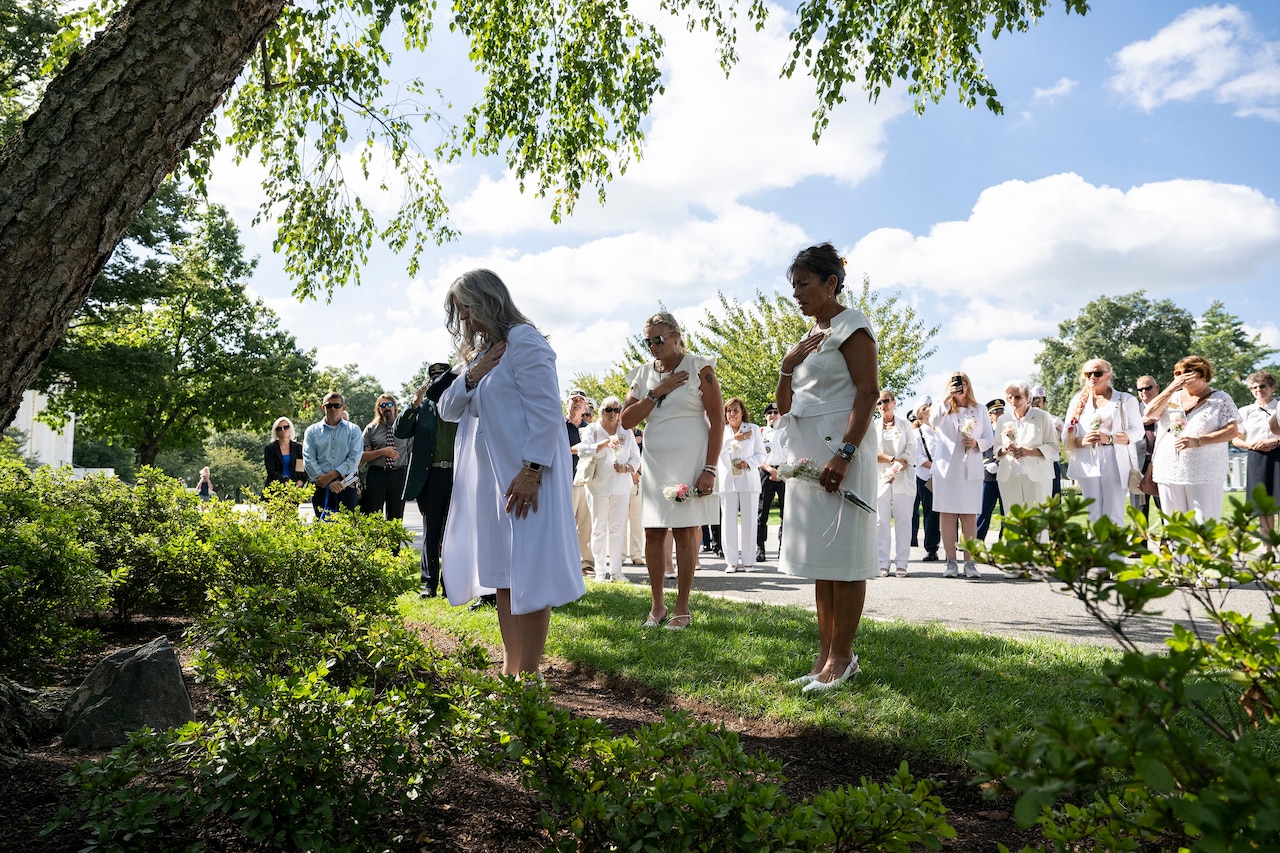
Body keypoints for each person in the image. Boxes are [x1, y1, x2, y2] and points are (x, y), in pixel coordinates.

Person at [436, 269, 585, 676]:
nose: (464, 319)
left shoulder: (524, 340)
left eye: (466, 308)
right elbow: (447, 409)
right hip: (492, 483)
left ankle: (531, 673)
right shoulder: (483, 354)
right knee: (504, 575)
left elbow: (545, 414)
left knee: (530, 575)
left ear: (487, 300)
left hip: (527, 478)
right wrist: (472, 375)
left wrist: (532, 470)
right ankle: (511, 669)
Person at [776, 243, 878, 693]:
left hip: (842, 451)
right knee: (823, 560)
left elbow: (868, 392)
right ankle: (825, 657)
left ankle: (843, 658)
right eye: (792, 285)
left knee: (846, 558)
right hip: (807, 456)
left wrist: (846, 453)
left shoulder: (852, 325)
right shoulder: (804, 340)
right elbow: (784, 407)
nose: (796, 293)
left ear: (831, 283)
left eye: (803, 284)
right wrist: (786, 366)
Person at [621, 310, 723, 630]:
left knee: (683, 530)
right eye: (648, 340)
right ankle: (657, 606)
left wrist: (709, 468)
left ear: (677, 336)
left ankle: (682, 606)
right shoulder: (642, 374)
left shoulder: (699, 367)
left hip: (690, 459)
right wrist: (657, 391)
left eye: (659, 339)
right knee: (653, 531)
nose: (653, 345)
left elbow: (717, 420)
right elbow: (626, 421)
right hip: (654, 461)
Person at [1142, 355, 1240, 522]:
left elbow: (1232, 431)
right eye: (1177, 372)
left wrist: (1199, 441)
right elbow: (1149, 413)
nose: (1182, 375)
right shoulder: (1171, 397)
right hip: (1169, 469)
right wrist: (1172, 388)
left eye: (1188, 371)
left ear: (1203, 373)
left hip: (1204, 470)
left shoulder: (1221, 398)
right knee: (1174, 522)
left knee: (1204, 523)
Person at [395, 363, 458, 598]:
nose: (437, 382)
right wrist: (414, 403)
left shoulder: (459, 404)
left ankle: (449, 583)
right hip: (431, 475)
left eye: (442, 378)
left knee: (452, 532)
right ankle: (429, 584)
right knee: (431, 532)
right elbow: (400, 431)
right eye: (434, 379)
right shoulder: (423, 407)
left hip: (456, 475)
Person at [1062, 358, 1143, 525]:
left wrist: (1110, 438)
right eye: (1088, 373)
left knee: (1113, 513)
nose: (1092, 376)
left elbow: (1138, 432)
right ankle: (1095, 551)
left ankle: (1114, 551)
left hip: (1115, 461)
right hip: (1087, 462)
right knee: (1093, 514)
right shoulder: (1078, 401)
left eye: (1097, 373)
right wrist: (1082, 441)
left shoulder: (1125, 399)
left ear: (1109, 375)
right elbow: (1066, 436)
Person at [928, 370, 993, 579]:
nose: (960, 386)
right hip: (947, 469)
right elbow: (933, 421)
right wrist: (947, 398)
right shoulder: (943, 407)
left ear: (968, 385)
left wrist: (976, 443)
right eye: (955, 383)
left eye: (963, 382)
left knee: (968, 516)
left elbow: (989, 438)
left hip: (969, 468)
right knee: (947, 515)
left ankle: (970, 562)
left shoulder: (979, 409)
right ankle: (951, 561)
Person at [993, 380, 1060, 577]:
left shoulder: (1042, 417)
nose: (1014, 401)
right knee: (1013, 520)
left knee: (1037, 519)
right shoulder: (1003, 419)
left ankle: (1039, 564)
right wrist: (1004, 449)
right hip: (1009, 475)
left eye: (1018, 397)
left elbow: (1054, 447)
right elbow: (996, 447)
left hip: (1037, 475)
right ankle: (1016, 563)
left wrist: (1029, 451)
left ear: (1028, 397)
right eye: (1010, 397)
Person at [576, 395, 641, 582]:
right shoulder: (592, 430)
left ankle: (616, 571)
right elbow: (583, 450)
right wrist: (604, 443)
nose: (612, 414)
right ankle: (600, 572)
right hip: (597, 486)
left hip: (621, 486)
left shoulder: (626, 432)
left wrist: (627, 468)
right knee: (598, 529)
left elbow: (636, 458)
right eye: (608, 409)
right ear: (601, 411)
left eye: (616, 410)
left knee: (617, 528)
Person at [717, 397, 766, 573]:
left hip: (748, 479)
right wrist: (733, 439)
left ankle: (748, 561)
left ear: (742, 411)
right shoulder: (721, 431)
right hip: (728, 480)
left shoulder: (752, 429)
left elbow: (761, 454)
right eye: (728, 411)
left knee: (750, 520)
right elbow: (715, 452)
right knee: (728, 521)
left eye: (735, 410)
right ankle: (731, 561)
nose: (732, 414)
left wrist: (748, 463)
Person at [1234, 371, 1279, 550]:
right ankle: (1267, 549)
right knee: (1263, 506)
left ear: (1272, 387)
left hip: (1279, 454)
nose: (1258, 390)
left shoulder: (1279, 408)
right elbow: (1236, 439)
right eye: (1254, 387)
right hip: (1256, 457)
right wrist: (1251, 445)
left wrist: (1274, 441)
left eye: (1262, 386)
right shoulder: (1245, 411)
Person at [874, 390, 917, 578]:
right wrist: (892, 460)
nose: (883, 405)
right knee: (880, 521)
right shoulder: (873, 426)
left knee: (903, 520)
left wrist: (895, 469)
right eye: (879, 403)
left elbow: (910, 451)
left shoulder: (906, 425)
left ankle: (902, 562)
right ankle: (883, 561)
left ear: (894, 402)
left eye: (886, 401)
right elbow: (871, 452)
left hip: (903, 476)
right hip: (879, 478)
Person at [303, 391, 364, 519]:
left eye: (336, 406)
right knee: (323, 531)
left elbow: (354, 459)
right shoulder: (311, 431)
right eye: (329, 405)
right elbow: (308, 459)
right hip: (321, 486)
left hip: (346, 485)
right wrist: (326, 482)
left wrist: (330, 477)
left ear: (343, 408)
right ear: (323, 407)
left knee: (347, 531)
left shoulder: (354, 430)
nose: (333, 409)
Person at [360, 393, 411, 521]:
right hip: (377, 474)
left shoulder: (405, 427)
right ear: (378, 408)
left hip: (398, 475)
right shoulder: (371, 429)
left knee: (396, 517)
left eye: (389, 404)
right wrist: (382, 452)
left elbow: (411, 453)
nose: (386, 408)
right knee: (373, 516)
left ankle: (393, 542)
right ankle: (374, 542)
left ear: (395, 407)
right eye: (382, 405)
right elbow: (361, 456)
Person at [564, 390, 595, 576]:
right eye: (574, 399)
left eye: (581, 400)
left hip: (585, 480)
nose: (577, 403)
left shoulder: (590, 428)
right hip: (565, 479)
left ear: (585, 406)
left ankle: (586, 563)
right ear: (567, 403)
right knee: (566, 523)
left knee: (586, 524)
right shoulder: (559, 424)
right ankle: (567, 562)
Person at [911, 397, 941, 562]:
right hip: (927, 477)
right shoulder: (917, 433)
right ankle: (931, 548)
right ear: (921, 413)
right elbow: (919, 458)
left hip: (946, 477)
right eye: (928, 407)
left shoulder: (941, 430)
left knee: (951, 512)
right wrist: (937, 468)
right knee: (931, 513)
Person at [757, 402, 787, 562]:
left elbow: (791, 453)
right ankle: (760, 548)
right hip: (766, 472)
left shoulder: (787, 432)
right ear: (765, 416)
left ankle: (783, 548)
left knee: (786, 513)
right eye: (769, 413)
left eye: (776, 412)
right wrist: (770, 470)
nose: (773, 415)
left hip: (784, 473)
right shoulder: (761, 432)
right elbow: (758, 456)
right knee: (762, 512)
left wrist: (780, 471)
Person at [975, 398, 1005, 542]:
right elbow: (980, 448)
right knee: (983, 511)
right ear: (989, 415)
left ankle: (1005, 542)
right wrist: (986, 463)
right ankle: (976, 541)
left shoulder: (1009, 430)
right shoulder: (984, 431)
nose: (999, 414)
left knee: (1007, 512)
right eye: (996, 412)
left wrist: (999, 463)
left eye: (1001, 411)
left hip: (1005, 473)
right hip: (988, 475)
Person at [1131, 375, 1161, 515]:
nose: (1144, 392)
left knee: (1166, 506)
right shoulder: (1131, 412)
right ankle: (1141, 537)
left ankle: (1170, 536)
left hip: (1162, 462)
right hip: (1139, 464)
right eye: (1140, 389)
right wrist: (1140, 422)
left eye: (1147, 388)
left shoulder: (1169, 407)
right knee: (1139, 508)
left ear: (1157, 388)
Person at [1031, 387, 1063, 496]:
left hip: (1050, 463)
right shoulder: (1024, 422)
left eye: (1039, 400)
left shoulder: (1055, 420)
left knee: (1053, 500)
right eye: (1033, 400)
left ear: (1044, 402)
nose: (1036, 403)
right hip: (1031, 464)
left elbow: (1053, 440)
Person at [264, 417, 306, 488]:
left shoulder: (298, 448)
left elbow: (304, 470)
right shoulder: (270, 449)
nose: (283, 430)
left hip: (295, 488)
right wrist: (283, 482)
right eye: (279, 429)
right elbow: (271, 470)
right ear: (275, 432)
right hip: (276, 487)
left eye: (286, 427)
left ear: (290, 429)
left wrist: (298, 484)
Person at [624, 428, 646, 567]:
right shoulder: (619, 432)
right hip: (622, 478)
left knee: (637, 519)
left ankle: (636, 554)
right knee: (621, 519)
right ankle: (620, 555)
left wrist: (638, 472)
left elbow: (648, 456)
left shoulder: (643, 434)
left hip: (639, 480)